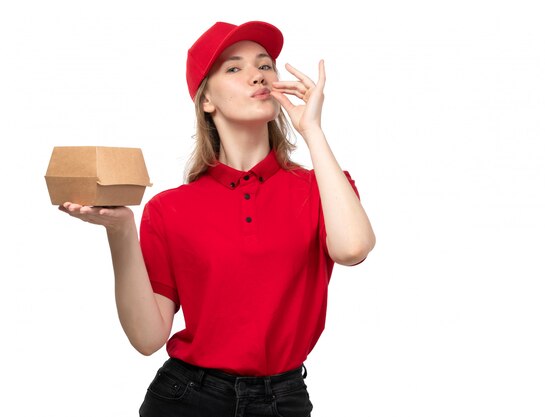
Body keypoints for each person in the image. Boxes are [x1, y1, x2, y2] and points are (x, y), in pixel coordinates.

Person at [59, 20, 375, 417]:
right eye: (234, 68)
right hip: (187, 397)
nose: (257, 74)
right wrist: (120, 230)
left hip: (285, 399)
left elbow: (352, 248)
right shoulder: (170, 208)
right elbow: (147, 337)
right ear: (206, 99)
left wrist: (312, 131)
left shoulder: (322, 187)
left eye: (265, 65)